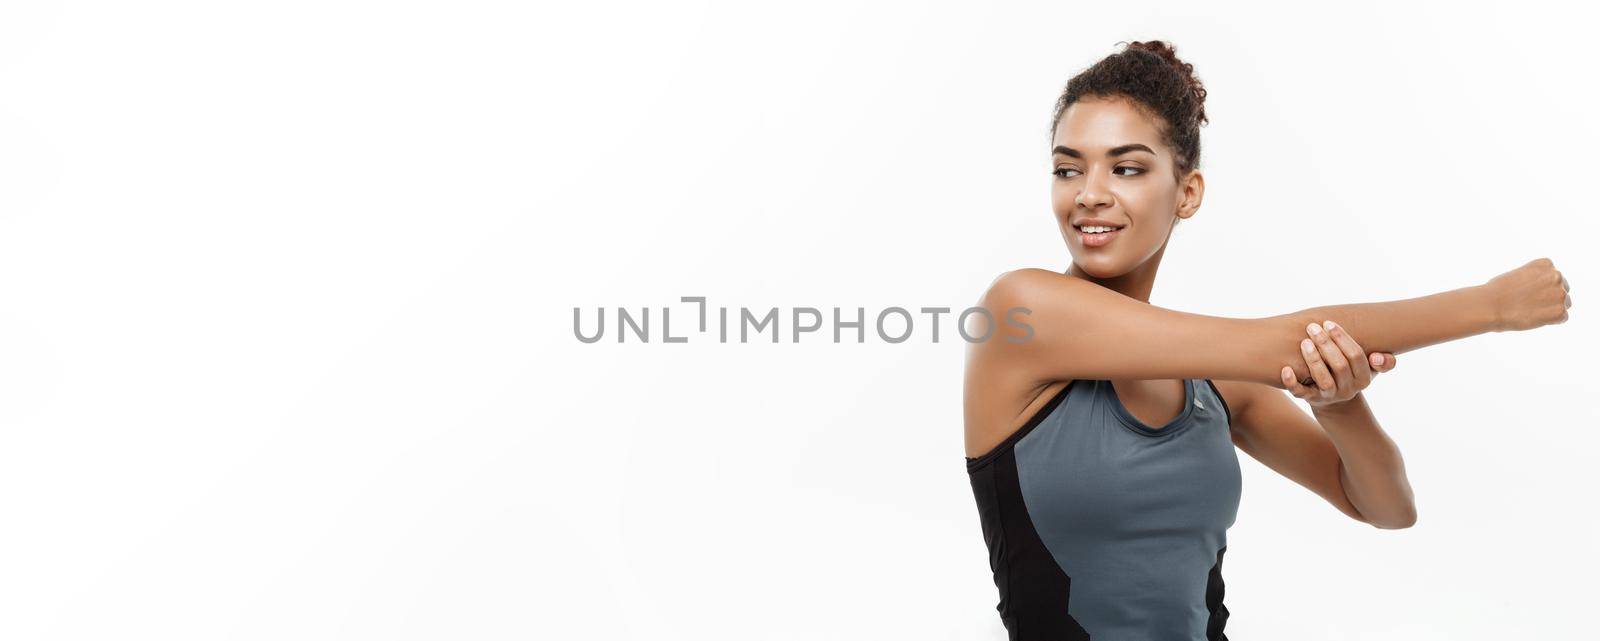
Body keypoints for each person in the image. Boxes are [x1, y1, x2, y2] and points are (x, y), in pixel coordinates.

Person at [962, 40, 1572, 641]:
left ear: (1188, 192)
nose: (1089, 192)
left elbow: (1386, 508)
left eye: (1127, 167)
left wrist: (1338, 403)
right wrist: (1491, 306)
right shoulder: (1021, 311)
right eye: (1069, 168)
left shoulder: (1214, 385)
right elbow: (1284, 343)